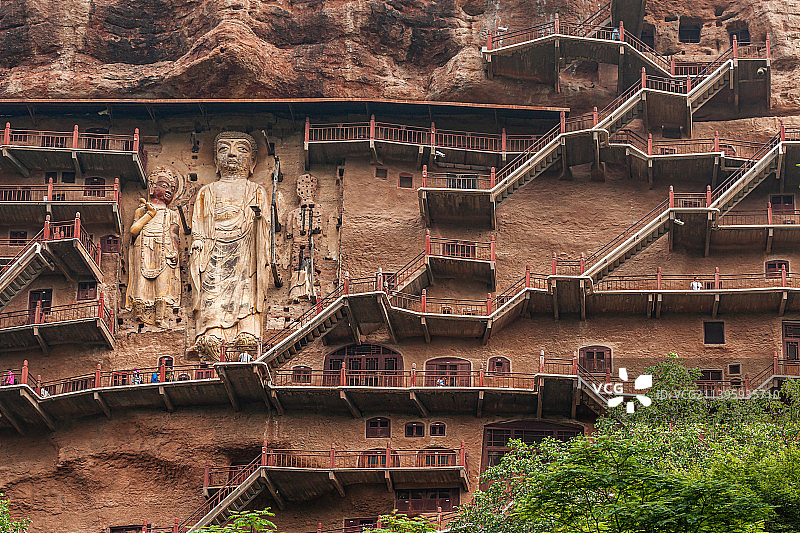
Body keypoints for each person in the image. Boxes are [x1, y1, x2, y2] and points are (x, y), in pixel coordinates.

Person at [188, 131, 272, 361]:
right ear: (216, 160)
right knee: (212, 290)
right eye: (224, 149)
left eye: (241, 150)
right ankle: (212, 332)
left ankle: (247, 332)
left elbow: (265, 223)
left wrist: (258, 220)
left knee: (247, 288)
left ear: (253, 162)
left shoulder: (255, 190)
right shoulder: (207, 191)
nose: (232, 154)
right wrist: (198, 242)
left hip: (246, 246)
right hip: (213, 247)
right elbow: (200, 222)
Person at [126, 167, 182, 327]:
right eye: (163, 185)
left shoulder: (172, 214)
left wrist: (175, 252)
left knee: (163, 281)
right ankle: (139, 314)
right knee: (141, 280)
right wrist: (149, 214)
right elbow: (134, 231)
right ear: (152, 187)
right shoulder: (141, 211)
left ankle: (160, 316)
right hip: (142, 246)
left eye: (172, 188)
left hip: (164, 248)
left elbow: (174, 235)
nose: (168, 190)